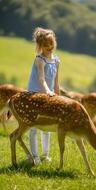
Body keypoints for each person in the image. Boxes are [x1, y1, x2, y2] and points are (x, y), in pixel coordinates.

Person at [27, 27, 60, 164]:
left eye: (51, 44)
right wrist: (47, 91)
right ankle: (34, 157)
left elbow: (56, 82)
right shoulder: (39, 59)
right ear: (40, 46)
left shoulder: (57, 60)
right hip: (35, 95)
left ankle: (45, 155)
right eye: (46, 45)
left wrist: (57, 96)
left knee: (46, 126)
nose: (49, 47)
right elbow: (41, 79)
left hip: (49, 96)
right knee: (33, 126)